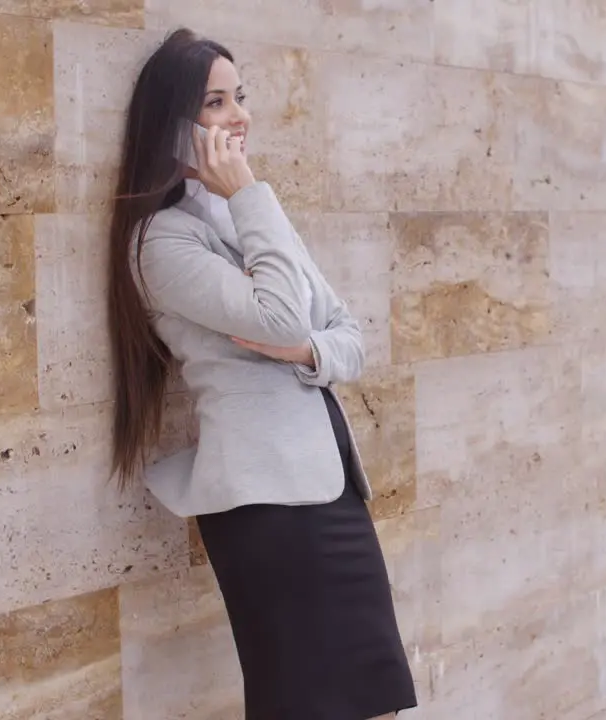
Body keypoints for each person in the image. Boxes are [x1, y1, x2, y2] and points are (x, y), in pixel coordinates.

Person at [104, 28, 417, 720]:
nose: (239, 115)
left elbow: (348, 336)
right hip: (267, 506)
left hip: (331, 493)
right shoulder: (162, 241)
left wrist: (308, 354)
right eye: (216, 103)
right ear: (173, 122)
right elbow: (280, 316)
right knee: (308, 706)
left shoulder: (250, 216)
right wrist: (249, 197)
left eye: (239, 97)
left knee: (376, 704)